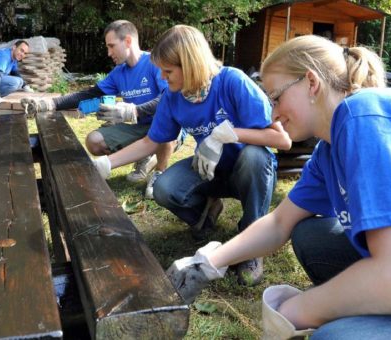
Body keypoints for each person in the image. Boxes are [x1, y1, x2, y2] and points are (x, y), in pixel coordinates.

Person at [167, 34, 391, 339]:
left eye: (276, 97)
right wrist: (207, 262)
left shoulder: (366, 115)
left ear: (311, 82)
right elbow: (279, 222)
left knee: (335, 337)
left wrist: (295, 310)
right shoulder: (328, 150)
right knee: (312, 237)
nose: (273, 115)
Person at [93, 25, 292, 285]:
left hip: (248, 171)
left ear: (190, 63)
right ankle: (205, 215)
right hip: (209, 170)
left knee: (255, 157)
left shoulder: (232, 81)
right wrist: (106, 163)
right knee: (164, 188)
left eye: (168, 71)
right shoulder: (173, 96)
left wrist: (225, 134)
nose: (163, 78)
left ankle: (252, 243)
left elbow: (281, 140)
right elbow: (150, 141)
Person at [21, 20, 177, 198]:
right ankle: (143, 156)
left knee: (166, 124)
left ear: (127, 41)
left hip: (166, 126)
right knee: (94, 141)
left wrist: (134, 111)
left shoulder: (155, 64)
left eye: (111, 46)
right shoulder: (119, 73)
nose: (109, 53)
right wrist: (50, 104)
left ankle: (160, 171)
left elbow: (169, 98)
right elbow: (89, 94)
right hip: (140, 127)